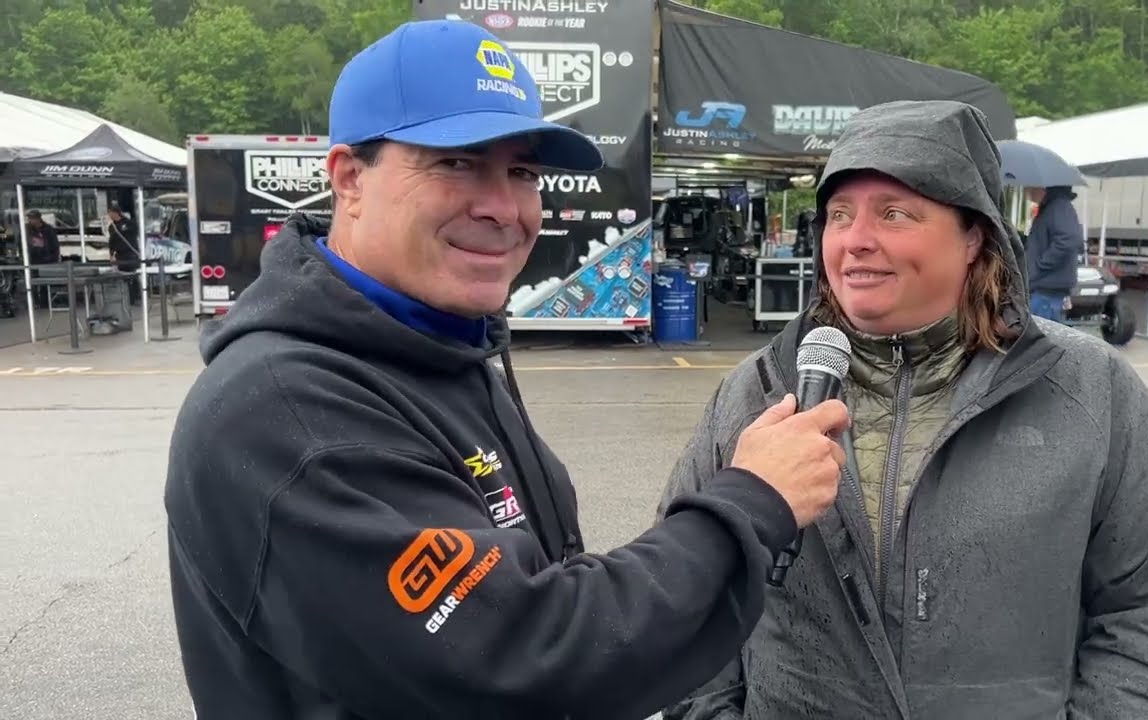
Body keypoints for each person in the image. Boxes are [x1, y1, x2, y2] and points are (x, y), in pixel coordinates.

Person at [164, 19, 850, 720]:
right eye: (457, 162)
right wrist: (750, 502)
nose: (501, 207)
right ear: (349, 179)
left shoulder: (438, 350)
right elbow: (523, 658)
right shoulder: (287, 410)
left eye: (521, 171)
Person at [657, 100, 1148, 720]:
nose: (856, 240)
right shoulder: (756, 390)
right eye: (839, 215)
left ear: (975, 236)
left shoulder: (1089, 389)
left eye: (895, 214)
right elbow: (686, 594)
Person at [1023, 184, 1084, 321]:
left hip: (1046, 291)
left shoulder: (1058, 206)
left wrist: (1040, 265)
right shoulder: (1052, 207)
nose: (1027, 190)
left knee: (1039, 338)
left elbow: (1069, 239)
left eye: (1029, 186)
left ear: (1042, 187)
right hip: (1044, 290)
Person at [105, 204, 142, 304]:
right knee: (123, 277)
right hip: (120, 255)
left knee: (133, 275)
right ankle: (127, 297)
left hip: (131, 253)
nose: (109, 215)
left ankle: (136, 296)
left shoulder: (129, 223)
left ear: (115, 212)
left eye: (110, 213)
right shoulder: (112, 227)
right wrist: (111, 254)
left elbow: (134, 232)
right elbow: (111, 242)